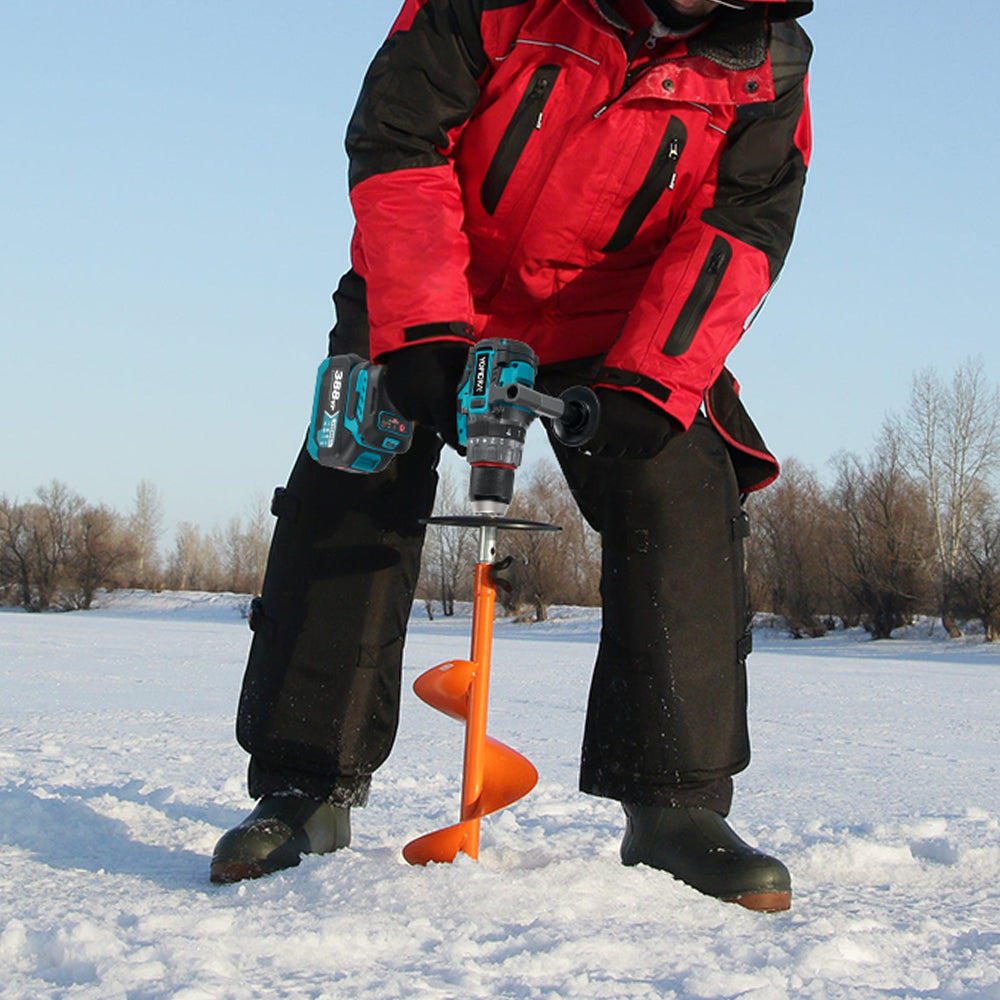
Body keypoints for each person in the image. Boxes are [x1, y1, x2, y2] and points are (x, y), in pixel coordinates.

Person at [211, 0, 813, 912]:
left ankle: (676, 809)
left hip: (613, 327)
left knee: (685, 487)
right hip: (434, 284)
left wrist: (652, 381)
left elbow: (739, 232)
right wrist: (422, 326)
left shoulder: (767, 65)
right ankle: (304, 789)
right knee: (355, 470)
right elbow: (399, 136)